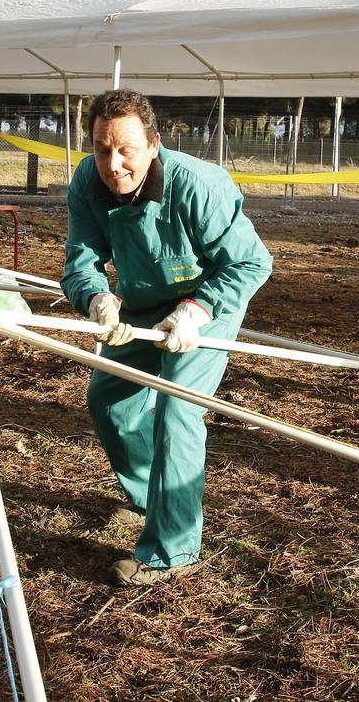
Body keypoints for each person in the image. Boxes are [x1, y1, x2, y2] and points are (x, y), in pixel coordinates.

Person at [62, 89, 273, 587]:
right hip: (139, 300)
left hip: (207, 302)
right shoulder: (87, 182)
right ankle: (146, 498)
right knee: (109, 399)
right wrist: (95, 298)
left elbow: (251, 261)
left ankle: (171, 548)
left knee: (177, 408)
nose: (113, 164)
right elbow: (81, 259)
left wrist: (195, 312)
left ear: (154, 143)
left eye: (126, 149)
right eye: (101, 149)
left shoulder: (198, 186)